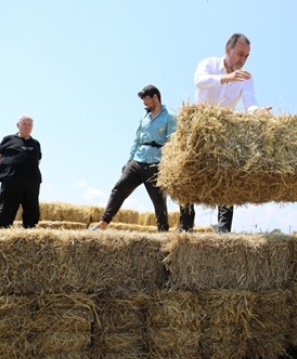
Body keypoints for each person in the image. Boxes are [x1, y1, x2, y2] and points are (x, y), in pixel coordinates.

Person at [178, 33, 271, 233]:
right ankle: (185, 226)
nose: (243, 60)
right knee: (188, 173)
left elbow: (250, 103)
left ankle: (223, 230)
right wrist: (226, 78)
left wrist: (258, 112)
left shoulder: (246, 77)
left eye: (246, 56)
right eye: (240, 54)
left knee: (228, 175)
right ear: (227, 50)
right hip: (199, 125)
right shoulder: (208, 64)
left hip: (223, 129)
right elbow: (199, 81)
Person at [91, 85, 176, 232]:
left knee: (159, 200)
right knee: (118, 189)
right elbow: (137, 140)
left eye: (147, 101)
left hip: (156, 163)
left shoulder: (169, 116)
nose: (145, 105)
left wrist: (167, 165)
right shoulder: (144, 117)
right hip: (137, 160)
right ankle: (103, 223)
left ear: (155, 97)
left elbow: (172, 142)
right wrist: (129, 160)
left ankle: (163, 232)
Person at [0, 115, 42, 228]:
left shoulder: (35, 143)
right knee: (7, 208)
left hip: (31, 180)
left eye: (29, 125)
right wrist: (8, 170)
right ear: (18, 125)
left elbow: (38, 160)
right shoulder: (8, 139)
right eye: (24, 124)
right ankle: (3, 233)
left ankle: (30, 233)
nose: (27, 127)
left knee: (32, 210)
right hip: (11, 179)